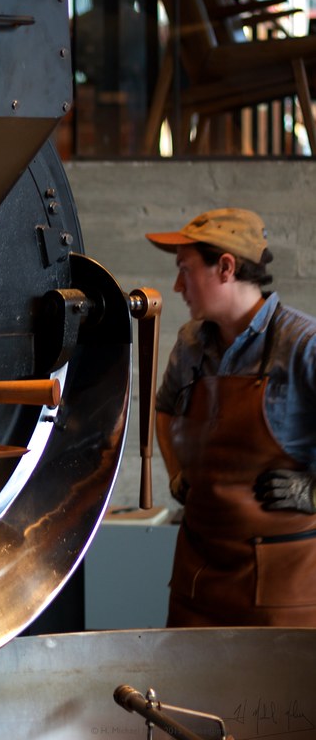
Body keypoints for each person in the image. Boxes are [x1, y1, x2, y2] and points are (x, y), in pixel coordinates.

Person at [145, 207, 316, 627]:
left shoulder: (303, 344)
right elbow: (164, 408)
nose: (177, 286)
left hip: (283, 589)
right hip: (197, 580)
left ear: (225, 267)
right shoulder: (191, 342)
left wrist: (314, 492)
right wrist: (176, 471)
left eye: (185, 270)